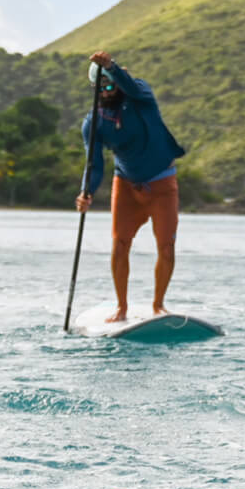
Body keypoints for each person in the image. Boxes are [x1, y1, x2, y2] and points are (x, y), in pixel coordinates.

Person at [75, 50, 187, 323]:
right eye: (100, 88)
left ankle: (159, 305)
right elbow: (94, 163)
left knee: (166, 247)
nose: (106, 92)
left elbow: (128, 85)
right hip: (126, 184)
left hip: (161, 183)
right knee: (120, 244)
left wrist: (111, 68)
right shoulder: (94, 122)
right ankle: (121, 308)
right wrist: (86, 192)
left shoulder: (141, 95)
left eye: (110, 85)